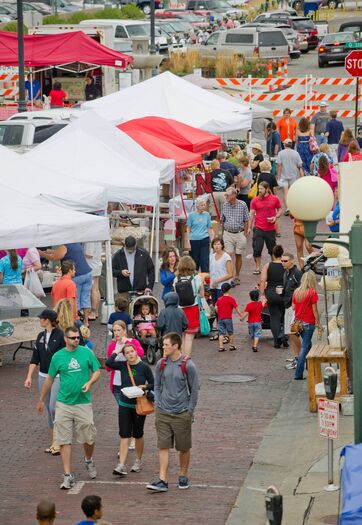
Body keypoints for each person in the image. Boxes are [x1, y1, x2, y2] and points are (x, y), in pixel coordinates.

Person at [37, 325, 100, 490]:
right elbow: (50, 379)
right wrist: (41, 399)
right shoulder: (57, 357)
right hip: (63, 403)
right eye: (73, 338)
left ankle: (88, 459)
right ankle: (67, 475)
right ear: (66, 339)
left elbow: (97, 371)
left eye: (78, 337)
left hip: (83, 402)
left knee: (88, 438)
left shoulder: (86, 352)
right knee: (64, 439)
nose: (76, 340)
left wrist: (90, 382)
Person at [147, 332, 199, 492]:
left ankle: (183, 475)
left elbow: (195, 390)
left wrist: (189, 410)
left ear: (176, 346)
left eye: (166, 345)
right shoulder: (161, 364)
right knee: (163, 446)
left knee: (184, 447)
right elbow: (156, 385)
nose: (163, 347)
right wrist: (158, 403)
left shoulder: (188, 365)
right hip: (163, 412)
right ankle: (163, 479)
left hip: (182, 413)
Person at [105, 343, 154, 476]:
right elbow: (108, 363)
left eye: (132, 351)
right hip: (124, 404)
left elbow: (153, 384)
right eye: (127, 353)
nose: (130, 354)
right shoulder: (122, 365)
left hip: (138, 405)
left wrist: (144, 387)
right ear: (124, 355)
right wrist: (117, 351)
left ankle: (138, 461)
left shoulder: (144, 367)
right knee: (124, 434)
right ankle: (121, 465)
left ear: (136, 352)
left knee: (138, 434)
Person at [24, 309, 64, 455]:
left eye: (41, 318)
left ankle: (59, 440)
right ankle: (54, 442)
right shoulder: (40, 336)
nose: (40, 320)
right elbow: (35, 358)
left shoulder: (60, 335)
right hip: (43, 375)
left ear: (47, 320)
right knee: (48, 408)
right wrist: (29, 377)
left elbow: (64, 355)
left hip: (58, 376)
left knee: (54, 407)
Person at [39, 244, 93, 326]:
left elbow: (54, 257)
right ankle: (86, 322)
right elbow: (62, 252)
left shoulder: (64, 246)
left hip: (77, 275)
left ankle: (75, 322)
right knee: (85, 298)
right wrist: (49, 251)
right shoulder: (75, 243)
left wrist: (41, 253)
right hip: (88, 272)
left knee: (75, 300)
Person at [105, 320, 144, 403]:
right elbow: (107, 368)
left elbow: (141, 353)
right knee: (122, 411)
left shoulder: (132, 342)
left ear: (124, 330)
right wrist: (113, 358)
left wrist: (126, 342)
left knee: (134, 410)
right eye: (114, 331)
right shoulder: (112, 346)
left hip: (132, 383)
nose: (116, 333)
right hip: (117, 384)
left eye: (118, 330)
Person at [292, 271, 322, 380]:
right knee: (305, 347)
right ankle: (298, 374)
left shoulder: (296, 291)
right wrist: (318, 323)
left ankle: (311, 370)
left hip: (298, 323)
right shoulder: (312, 293)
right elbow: (315, 310)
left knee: (308, 345)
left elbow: (293, 307)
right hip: (309, 322)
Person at [174, 255, 204, 357]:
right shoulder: (197, 278)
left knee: (182, 335)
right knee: (190, 337)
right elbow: (202, 295)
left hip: (180, 309)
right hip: (192, 308)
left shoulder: (176, 279)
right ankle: (186, 358)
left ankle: (180, 356)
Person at [250, 182, 282, 275]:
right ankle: (257, 268)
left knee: (272, 249)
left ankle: (274, 266)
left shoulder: (274, 199)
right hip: (258, 228)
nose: (259, 191)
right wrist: (249, 227)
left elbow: (280, 209)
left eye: (261, 189)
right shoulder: (255, 200)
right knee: (257, 249)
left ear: (267, 189)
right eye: (259, 189)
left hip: (270, 228)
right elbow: (251, 214)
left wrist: (275, 217)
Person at [259, 245, 287, 349]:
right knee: (285, 316)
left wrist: (262, 295)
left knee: (274, 317)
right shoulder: (286, 265)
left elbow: (262, 281)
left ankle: (276, 339)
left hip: (271, 293)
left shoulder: (268, 266)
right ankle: (284, 335)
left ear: (273, 255)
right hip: (284, 294)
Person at [221, 186, 250, 285]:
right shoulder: (225, 205)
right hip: (228, 233)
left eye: (227, 195)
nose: (226, 196)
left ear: (233, 195)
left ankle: (237, 276)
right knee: (229, 255)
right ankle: (230, 276)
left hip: (239, 233)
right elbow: (223, 220)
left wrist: (245, 233)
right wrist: (223, 233)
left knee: (238, 255)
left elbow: (246, 219)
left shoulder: (242, 204)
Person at [281, 253, 302, 370]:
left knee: (293, 333)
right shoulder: (286, 273)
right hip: (287, 305)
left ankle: (300, 358)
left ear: (292, 261)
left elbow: (301, 288)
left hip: (294, 307)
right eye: (282, 261)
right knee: (289, 333)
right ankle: (297, 357)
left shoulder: (297, 273)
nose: (283, 263)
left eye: (285, 261)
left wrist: (296, 303)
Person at [276, 138, 304, 213]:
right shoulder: (296, 153)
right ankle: (294, 207)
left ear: (284, 144)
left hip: (283, 175)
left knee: (285, 191)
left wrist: (278, 176)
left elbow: (279, 165)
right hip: (294, 175)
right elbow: (300, 165)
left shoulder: (281, 153)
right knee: (293, 192)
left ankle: (288, 207)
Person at [186, 197, 213, 273]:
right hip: (194, 240)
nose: (204, 207)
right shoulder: (191, 215)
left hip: (204, 239)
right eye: (202, 205)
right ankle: (194, 279)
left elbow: (209, 228)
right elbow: (188, 229)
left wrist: (211, 240)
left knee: (205, 260)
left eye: (204, 205)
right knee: (195, 261)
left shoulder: (207, 215)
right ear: (197, 206)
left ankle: (206, 280)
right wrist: (188, 242)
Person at [215, 282, 243, 352]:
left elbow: (216, 307)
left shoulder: (219, 299)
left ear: (221, 290)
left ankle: (221, 346)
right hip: (228, 318)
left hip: (220, 318)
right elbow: (237, 308)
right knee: (230, 332)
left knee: (221, 333)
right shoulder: (231, 299)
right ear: (229, 290)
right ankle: (231, 345)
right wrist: (241, 316)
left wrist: (219, 313)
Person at [209, 237, 233, 305]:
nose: (216, 246)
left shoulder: (226, 257)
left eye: (218, 244)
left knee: (221, 306)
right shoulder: (211, 256)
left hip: (222, 287)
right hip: (213, 286)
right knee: (214, 305)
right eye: (215, 244)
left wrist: (217, 280)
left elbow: (230, 274)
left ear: (222, 245)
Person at [84, 241, 102, 321]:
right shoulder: (97, 236)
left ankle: (93, 312)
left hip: (91, 265)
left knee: (93, 290)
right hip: (96, 264)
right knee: (96, 289)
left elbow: (89, 254)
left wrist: (80, 252)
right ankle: (96, 311)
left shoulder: (90, 240)